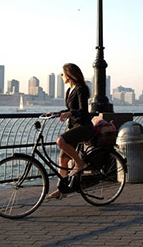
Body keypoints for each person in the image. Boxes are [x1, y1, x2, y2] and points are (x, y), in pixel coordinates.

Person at [47, 63, 94, 199]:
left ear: (69, 75)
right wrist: (57, 113)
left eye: (62, 74)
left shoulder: (81, 89)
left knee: (61, 141)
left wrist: (70, 113)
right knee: (62, 160)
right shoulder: (69, 90)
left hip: (84, 126)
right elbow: (70, 110)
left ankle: (80, 163)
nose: (61, 76)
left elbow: (83, 111)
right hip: (73, 127)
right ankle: (62, 190)